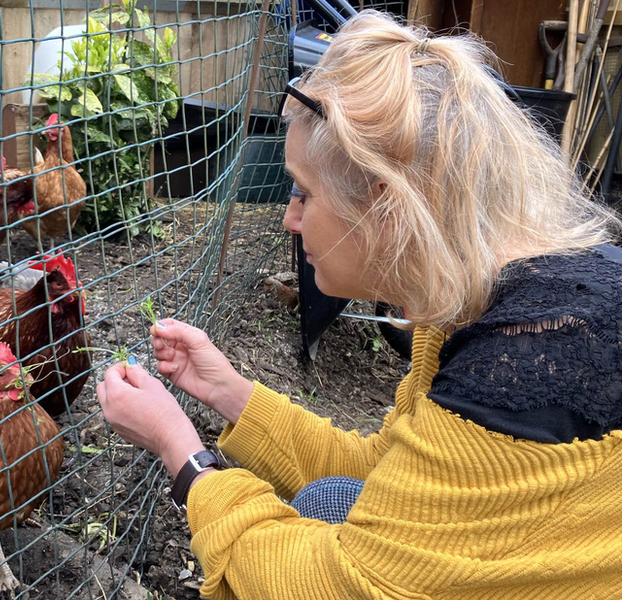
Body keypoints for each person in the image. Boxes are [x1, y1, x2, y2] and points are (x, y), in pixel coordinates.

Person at [96, 10, 622, 600]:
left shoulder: (519, 376)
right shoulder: (474, 303)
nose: (290, 219)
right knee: (331, 498)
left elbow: (341, 585)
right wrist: (226, 390)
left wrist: (182, 453)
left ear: (387, 207)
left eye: (303, 191)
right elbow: (384, 475)